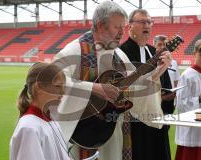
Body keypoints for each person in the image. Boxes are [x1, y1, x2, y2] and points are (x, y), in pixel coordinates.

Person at [54, 2, 171, 160]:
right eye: (118, 27)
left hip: (114, 131)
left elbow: (134, 87)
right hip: (83, 134)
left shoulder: (119, 56)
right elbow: (53, 83)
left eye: (124, 27)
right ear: (101, 25)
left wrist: (157, 72)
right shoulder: (74, 52)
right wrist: (94, 88)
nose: (123, 33)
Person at [120, 10, 172, 160]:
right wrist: (159, 70)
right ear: (130, 26)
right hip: (134, 121)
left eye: (149, 22)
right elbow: (129, 87)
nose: (147, 25)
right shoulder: (122, 52)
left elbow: (164, 84)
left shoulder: (153, 51)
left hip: (154, 115)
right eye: (142, 22)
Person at [10, 62, 70, 160]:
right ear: (39, 87)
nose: (63, 92)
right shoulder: (29, 128)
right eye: (58, 86)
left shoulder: (51, 121)